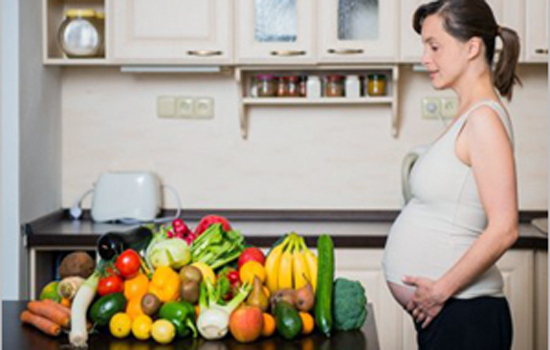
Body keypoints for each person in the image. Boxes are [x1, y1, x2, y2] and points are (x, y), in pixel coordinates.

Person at [381, 0, 521, 349]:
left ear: (472, 47)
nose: (426, 58)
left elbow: (505, 228)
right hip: (453, 315)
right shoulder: (470, 115)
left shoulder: (484, 120)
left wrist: (439, 291)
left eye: (435, 46)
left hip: (467, 316)